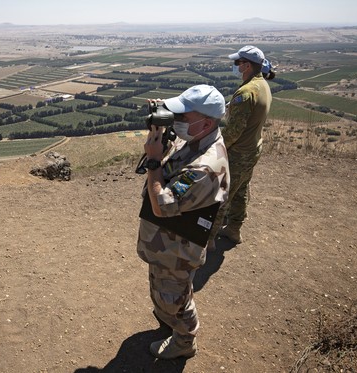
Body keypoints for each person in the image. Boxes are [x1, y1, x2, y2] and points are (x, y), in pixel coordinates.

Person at [136, 85, 229, 359]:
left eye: (182, 117)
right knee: (164, 292)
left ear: (207, 122)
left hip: (177, 249)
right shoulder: (196, 138)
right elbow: (172, 157)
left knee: (175, 299)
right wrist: (160, 128)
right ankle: (169, 318)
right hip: (166, 242)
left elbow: (162, 205)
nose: (176, 122)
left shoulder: (205, 167)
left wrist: (153, 161)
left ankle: (185, 341)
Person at [213, 45, 274, 245]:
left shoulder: (246, 92)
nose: (235, 66)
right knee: (240, 191)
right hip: (253, 148)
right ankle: (233, 230)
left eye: (237, 62)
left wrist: (216, 147)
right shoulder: (262, 85)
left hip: (238, 153)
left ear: (246, 65)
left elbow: (233, 131)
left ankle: (208, 239)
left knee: (222, 196)